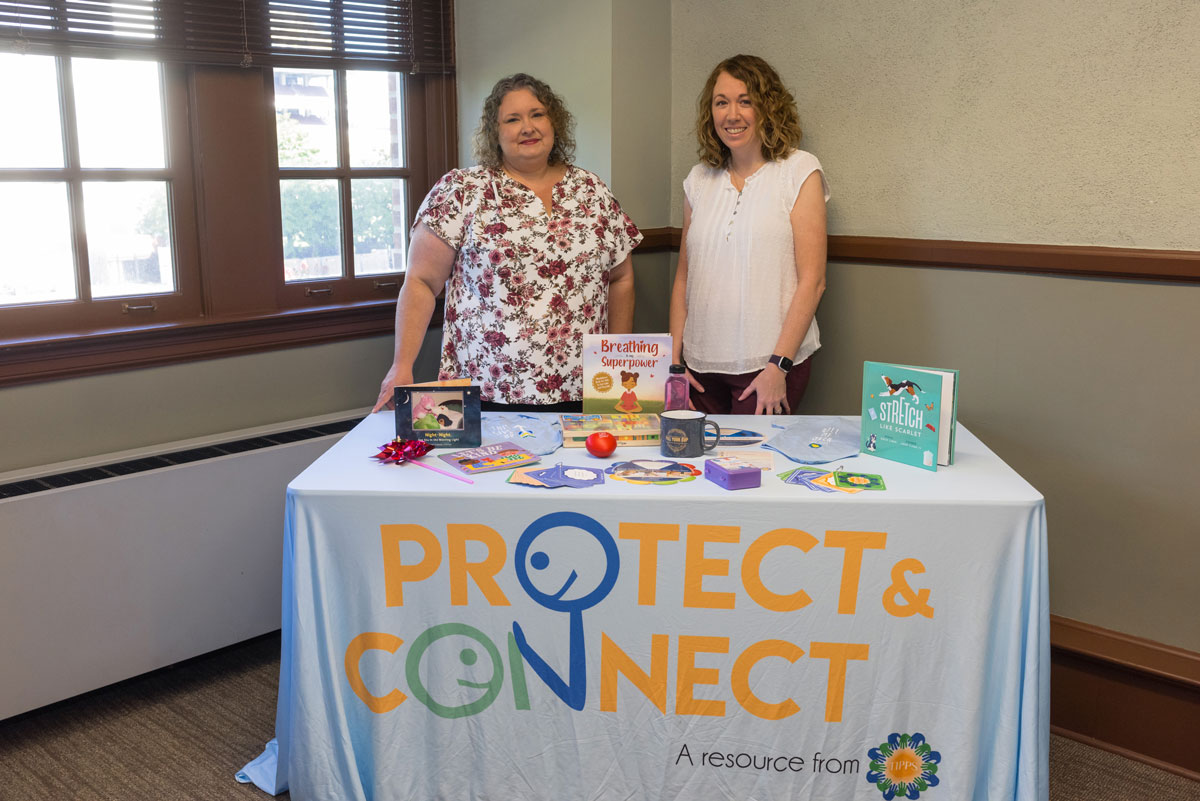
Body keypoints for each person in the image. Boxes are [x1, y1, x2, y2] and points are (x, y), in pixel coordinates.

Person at [373, 73, 641, 413]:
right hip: (485, 390)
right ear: (494, 133)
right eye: (512, 119)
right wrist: (402, 364)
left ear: (554, 122)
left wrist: (614, 361)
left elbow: (621, 278)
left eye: (537, 114)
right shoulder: (462, 191)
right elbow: (421, 282)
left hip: (585, 387)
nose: (527, 127)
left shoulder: (592, 190)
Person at [669, 54, 829, 415]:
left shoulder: (799, 170)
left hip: (768, 367)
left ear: (768, 107)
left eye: (746, 101)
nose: (732, 114)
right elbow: (684, 278)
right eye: (721, 102)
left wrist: (779, 366)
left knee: (754, 469)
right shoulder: (698, 179)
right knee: (695, 469)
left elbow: (813, 281)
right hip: (698, 368)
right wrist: (676, 363)